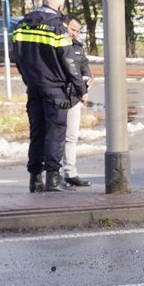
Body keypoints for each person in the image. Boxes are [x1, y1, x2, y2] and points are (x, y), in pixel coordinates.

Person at [11, 0, 86, 193]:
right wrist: (80, 87)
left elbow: (17, 56)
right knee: (55, 132)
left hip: (33, 86)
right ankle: (53, 179)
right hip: (55, 88)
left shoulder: (23, 23)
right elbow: (68, 60)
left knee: (37, 132)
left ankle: (35, 179)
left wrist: (27, 78)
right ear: (60, 6)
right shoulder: (56, 27)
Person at [61, 16, 93, 187]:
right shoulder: (56, 44)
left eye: (77, 31)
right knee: (57, 137)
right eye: (72, 29)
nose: (74, 34)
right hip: (59, 95)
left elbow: (84, 65)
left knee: (72, 137)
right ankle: (55, 175)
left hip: (75, 97)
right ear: (64, 26)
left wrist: (88, 77)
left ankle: (70, 173)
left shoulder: (77, 46)